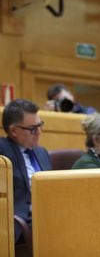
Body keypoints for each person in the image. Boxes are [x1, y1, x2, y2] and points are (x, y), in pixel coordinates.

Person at [0, 99, 51, 242]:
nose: (39, 132)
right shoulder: (2, 151)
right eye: (33, 129)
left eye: (40, 125)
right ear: (13, 130)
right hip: (19, 221)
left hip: (47, 214)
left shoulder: (42, 152)